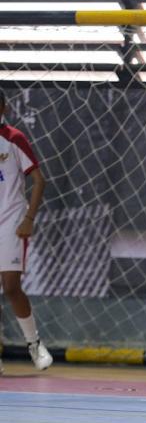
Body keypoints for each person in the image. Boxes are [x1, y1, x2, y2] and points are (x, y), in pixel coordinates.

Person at [0, 89, 53, 375]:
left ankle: (34, 345)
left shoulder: (13, 138)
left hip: (11, 219)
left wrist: (29, 218)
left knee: (10, 286)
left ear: (3, 107)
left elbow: (39, 180)